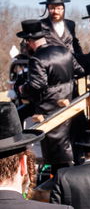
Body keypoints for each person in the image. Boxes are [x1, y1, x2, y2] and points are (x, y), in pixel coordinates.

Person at [14, 19, 79, 168]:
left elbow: (37, 86)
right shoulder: (64, 51)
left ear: (29, 41)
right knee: (66, 147)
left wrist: (22, 89)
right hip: (70, 101)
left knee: (56, 154)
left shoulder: (37, 58)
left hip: (50, 107)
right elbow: (79, 70)